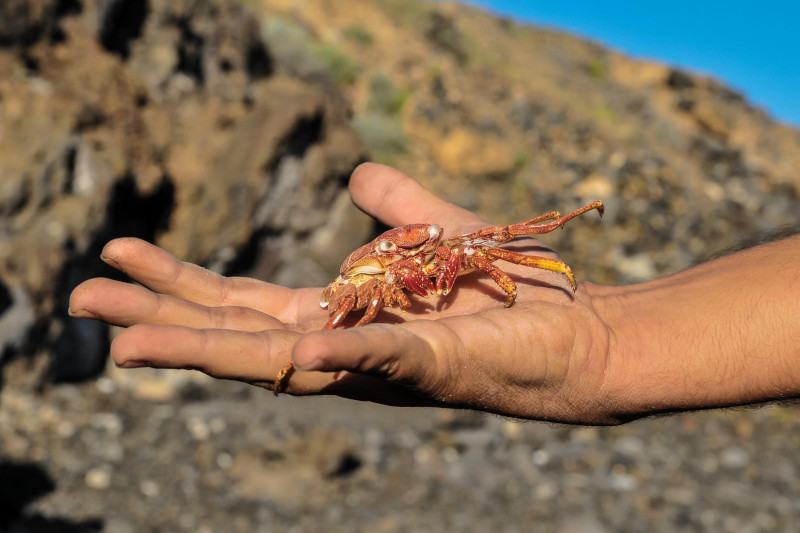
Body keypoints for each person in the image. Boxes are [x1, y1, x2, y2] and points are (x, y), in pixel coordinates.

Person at [68, 163, 800, 424]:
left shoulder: (438, 251)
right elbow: (362, 286)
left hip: (386, 271)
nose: (437, 255)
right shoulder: (376, 267)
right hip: (361, 283)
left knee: (485, 245)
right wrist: (611, 335)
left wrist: (601, 327)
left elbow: (491, 241)